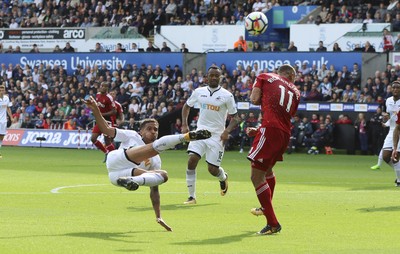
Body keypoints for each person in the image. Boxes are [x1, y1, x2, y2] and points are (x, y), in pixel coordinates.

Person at [84, 95, 211, 231]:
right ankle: (185, 137)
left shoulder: (156, 160)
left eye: (155, 129)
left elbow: (154, 189)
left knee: (163, 175)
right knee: (151, 150)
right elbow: (106, 129)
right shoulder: (132, 135)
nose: (153, 132)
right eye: (149, 129)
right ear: (141, 131)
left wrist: (159, 216)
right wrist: (96, 109)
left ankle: (133, 181)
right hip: (116, 160)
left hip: (119, 177)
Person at [246, 64, 300, 235]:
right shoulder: (296, 92)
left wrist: (263, 129)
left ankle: (273, 223)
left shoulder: (264, 76)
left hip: (270, 129)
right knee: (268, 170)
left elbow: (254, 100)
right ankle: (265, 208)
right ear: (291, 75)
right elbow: (283, 115)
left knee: (256, 175)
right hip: (284, 134)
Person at [181, 66, 240, 204]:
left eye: (216, 76)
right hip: (200, 133)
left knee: (212, 170)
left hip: (217, 136)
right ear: (206, 77)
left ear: (220, 78)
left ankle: (223, 177)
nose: (213, 78)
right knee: (191, 160)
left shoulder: (227, 95)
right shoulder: (198, 92)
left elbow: (236, 117)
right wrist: (184, 124)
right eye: (211, 75)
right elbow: (186, 106)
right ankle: (192, 197)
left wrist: (227, 131)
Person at [371, 81, 400, 187]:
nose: (396, 89)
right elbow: (390, 115)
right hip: (393, 130)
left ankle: (399, 180)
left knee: (396, 156)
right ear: (391, 89)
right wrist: (387, 120)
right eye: (394, 87)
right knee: (386, 156)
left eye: (398, 87)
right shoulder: (388, 101)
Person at [90, 82, 117, 157]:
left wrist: (101, 115)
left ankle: (115, 156)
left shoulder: (109, 98)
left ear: (107, 88)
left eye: (104, 86)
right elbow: (97, 106)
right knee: (93, 138)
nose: (102, 87)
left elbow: (114, 111)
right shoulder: (98, 95)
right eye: (101, 86)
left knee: (107, 141)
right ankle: (106, 152)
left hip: (106, 121)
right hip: (99, 121)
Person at [0, 84, 14, 158]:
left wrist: (11, 117)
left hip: (3, 121)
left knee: (1, 136)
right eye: (0, 90)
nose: (1, 91)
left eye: (3, 90)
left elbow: (8, 108)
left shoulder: (6, 98)